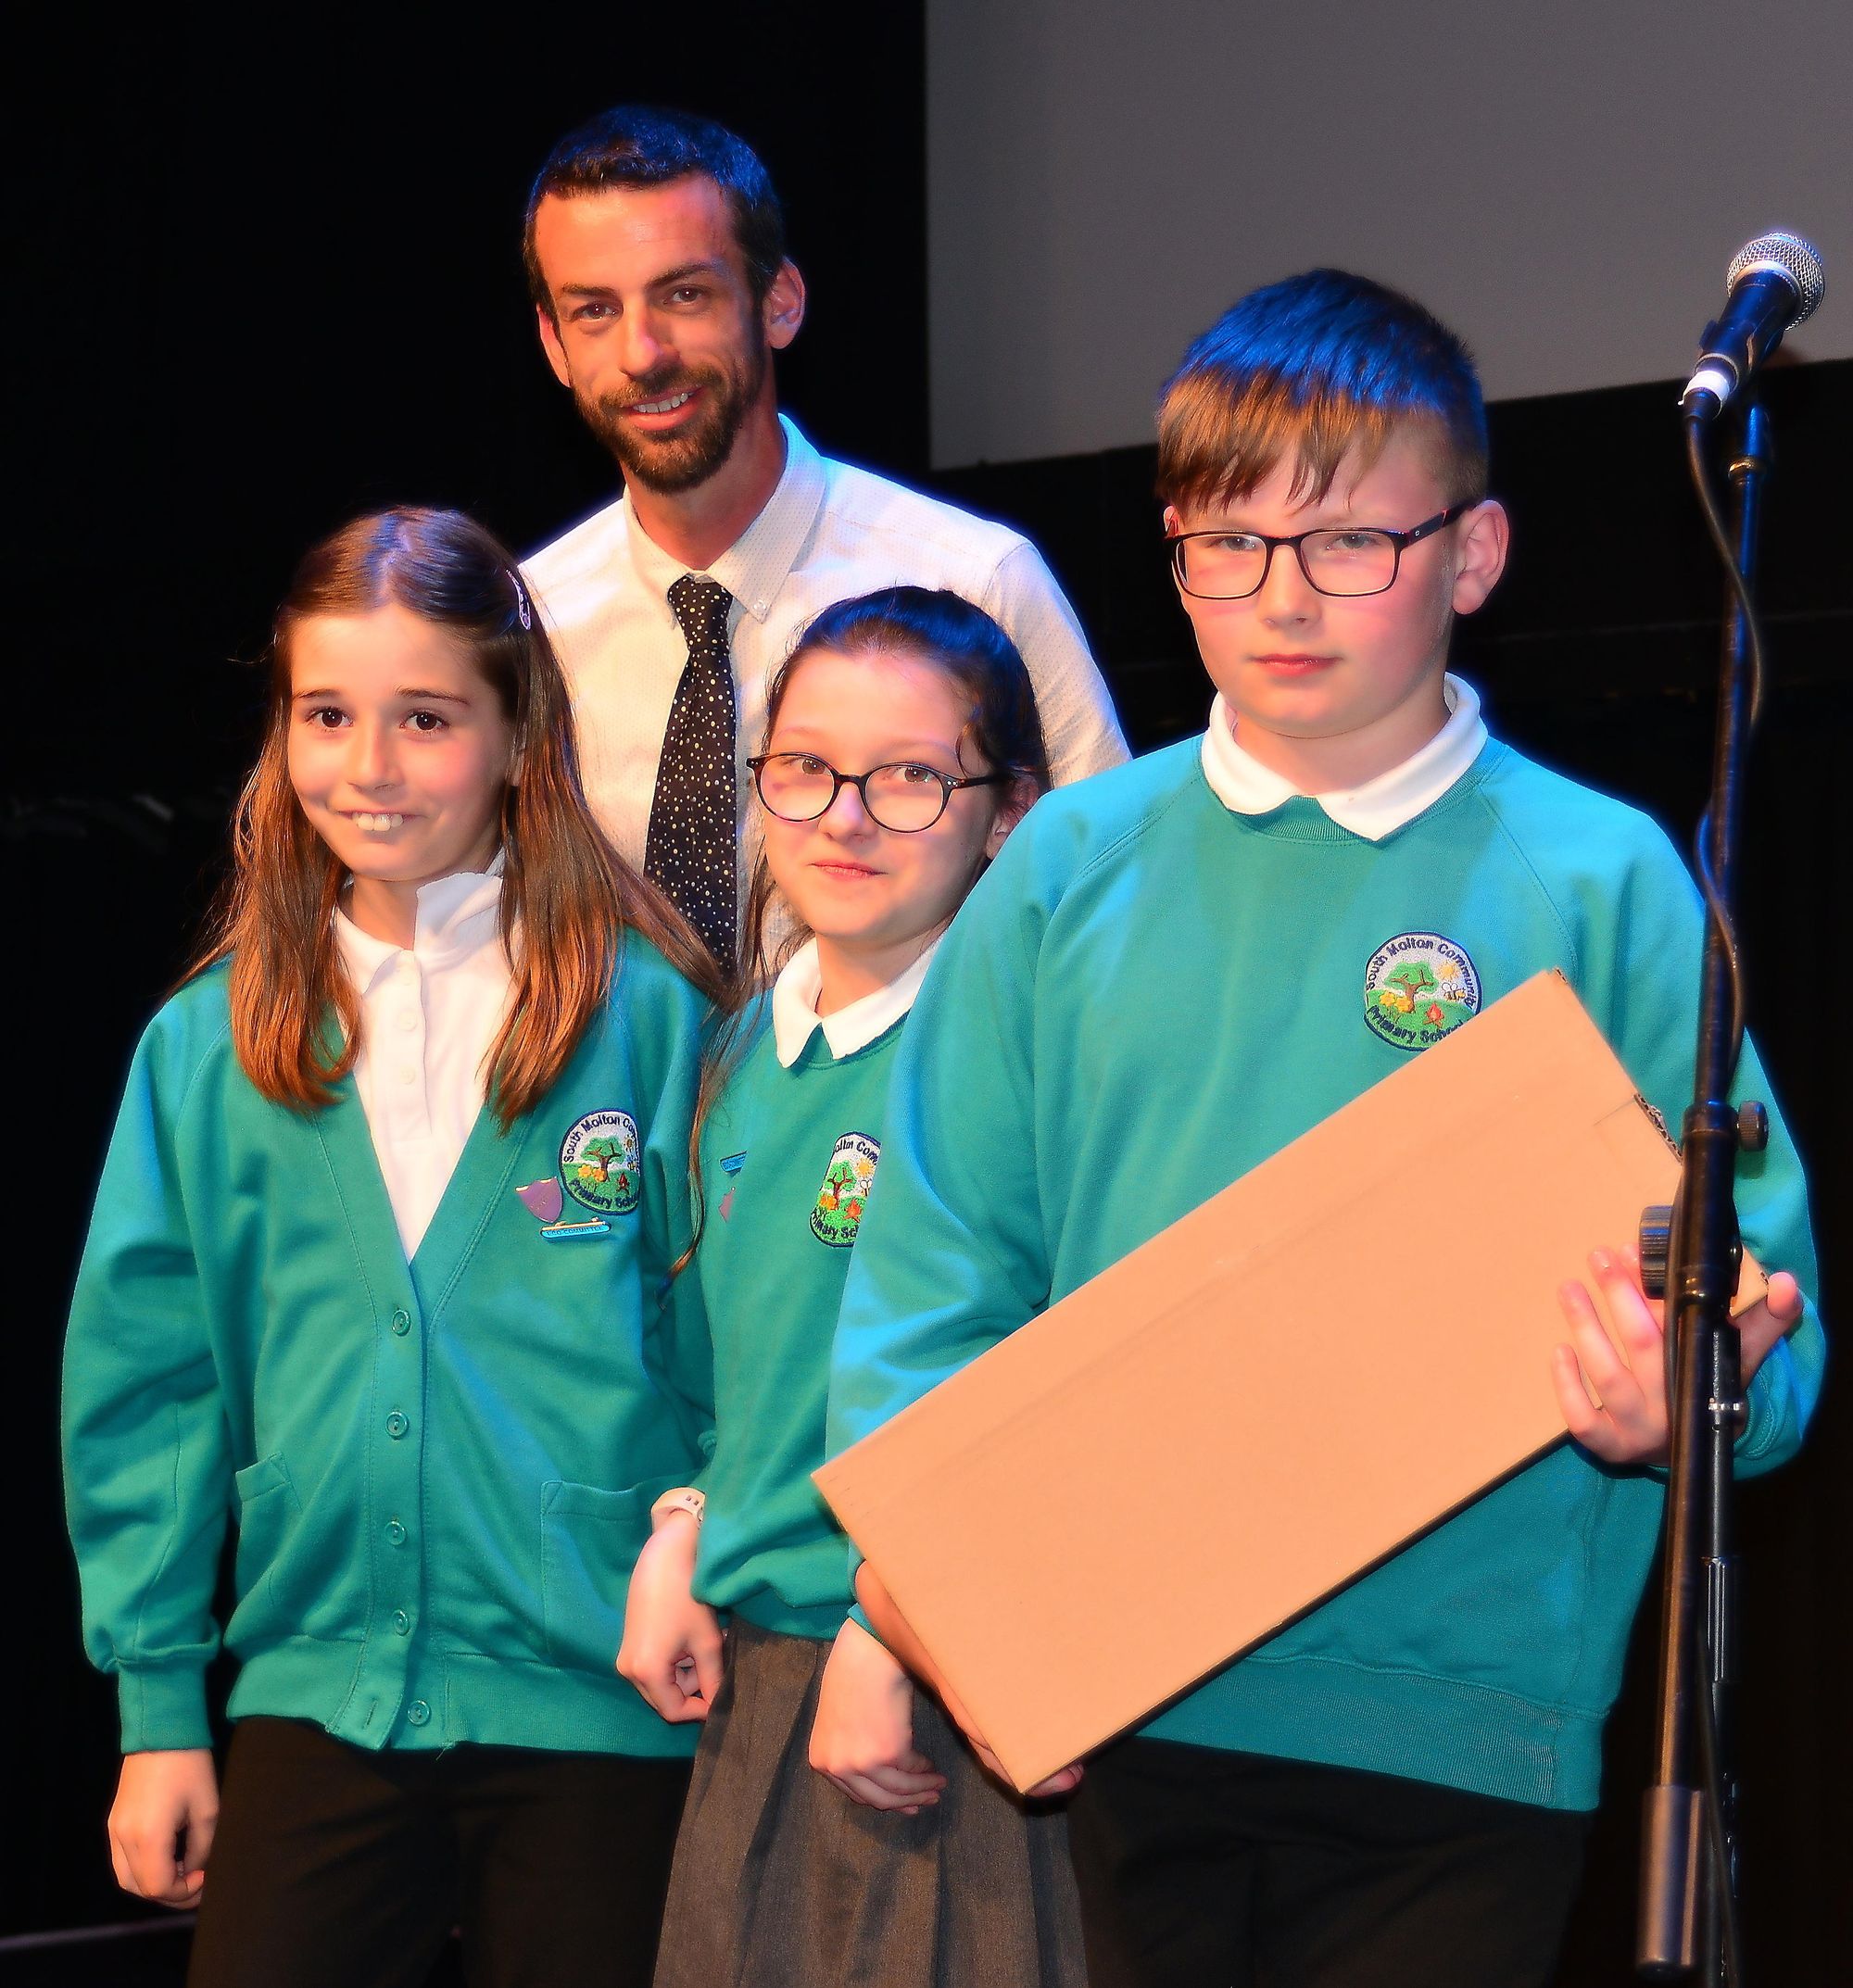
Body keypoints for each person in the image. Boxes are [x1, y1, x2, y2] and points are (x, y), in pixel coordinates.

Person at [825, 271, 1823, 1988]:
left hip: (1469, 1728)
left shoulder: (1603, 880)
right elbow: (933, 1276)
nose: (1283, 596)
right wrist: (920, 1595)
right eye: (1231, 543)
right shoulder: (1067, 868)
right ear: (1174, 553)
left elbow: (1765, 1316)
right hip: (1126, 1699)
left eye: (1351, 541)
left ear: (1474, 554)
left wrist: (1696, 1395)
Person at [62, 509, 723, 1988]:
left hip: (603, 1703)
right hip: (319, 1697)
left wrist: (695, 1543)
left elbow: (723, 1347)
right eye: (327, 714)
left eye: (425, 717)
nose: (369, 764)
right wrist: (159, 1708)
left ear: (517, 735)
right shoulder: (206, 1048)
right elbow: (148, 1387)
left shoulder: (646, 1018)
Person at [616, 588, 1086, 1988]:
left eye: (909, 778)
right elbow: (724, 1376)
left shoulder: (1028, 1062)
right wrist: (687, 1522)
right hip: (763, 1684)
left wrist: (900, 1619)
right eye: (807, 769)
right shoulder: (729, 1059)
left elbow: (1060, 1392)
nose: (847, 818)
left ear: (1007, 813)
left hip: (945, 1689)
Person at [519, 105, 1127, 963]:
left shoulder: (976, 581)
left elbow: (1111, 905)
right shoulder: (524, 627)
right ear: (553, 344)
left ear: (779, 302)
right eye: (593, 311)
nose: (642, 352)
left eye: (684, 295)